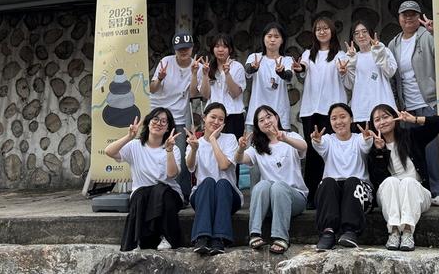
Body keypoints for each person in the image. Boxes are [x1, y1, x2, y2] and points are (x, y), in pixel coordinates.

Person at [387, 0, 439, 206]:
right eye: (404, 14)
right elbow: (391, 75)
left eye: (413, 14)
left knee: (432, 148)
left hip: (429, 100)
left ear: (419, 17)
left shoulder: (426, 36)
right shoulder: (393, 44)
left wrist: (436, 34)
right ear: (399, 18)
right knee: (412, 149)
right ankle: (419, 191)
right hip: (407, 106)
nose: (409, 18)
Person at [368, 104, 439, 251]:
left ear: (395, 118)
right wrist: (380, 152)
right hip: (390, 197)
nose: (382, 122)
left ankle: (407, 232)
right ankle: (394, 232)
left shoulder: (411, 136)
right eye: (377, 120)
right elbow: (379, 181)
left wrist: (414, 119)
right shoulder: (373, 148)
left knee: (408, 182)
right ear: (373, 125)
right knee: (390, 181)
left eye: (385, 117)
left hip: (417, 193)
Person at [104, 108, 182, 251]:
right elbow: (109, 151)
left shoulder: (173, 149)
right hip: (142, 196)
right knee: (140, 194)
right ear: (148, 122)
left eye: (163, 121)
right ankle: (138, 240)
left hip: (168, 195)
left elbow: (172, 175)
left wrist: (169, 150)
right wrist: (129, 137)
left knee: (159, 190)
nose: (158, 123)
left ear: (168, 128)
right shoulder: (135, 145)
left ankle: (167, 237)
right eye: (155, 119)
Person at [235, 105, 308, 254]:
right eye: (261, 120)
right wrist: (241, 148)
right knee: (262, 185)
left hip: (294, 198)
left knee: (278, 186)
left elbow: (304, 147)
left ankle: (281, 237)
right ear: (258, 126)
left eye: (269, 117)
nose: (266, 121)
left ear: (277, 117)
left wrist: (285, 139)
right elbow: (239, 159)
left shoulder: (291, 136)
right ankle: (255, 234)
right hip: (270, 203)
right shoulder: (257, 147)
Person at [292, 16, 347, 209]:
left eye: (325, 28)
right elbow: (303, 68)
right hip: (311, 110)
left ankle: (332, 193)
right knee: (313, 152)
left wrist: (343, 71)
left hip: (332, 110)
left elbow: (345, 74)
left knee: (332, 152)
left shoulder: (340, 54)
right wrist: (298, 68)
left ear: (332, 31)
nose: (322, 32)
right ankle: (312, 196)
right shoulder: (308, 54)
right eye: (318, 29)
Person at [312, 103, 374, 250]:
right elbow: (321, 145)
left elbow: (365, 145)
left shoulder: (359, 138)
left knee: (352, 181)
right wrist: (317, 141)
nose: (339, 121)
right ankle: (328, 232)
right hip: (333, 196)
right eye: (334, 118)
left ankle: (350, 232)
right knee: (327, 182)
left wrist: (367, 138)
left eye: (342, 117)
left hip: (359, 194)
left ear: (351, 119)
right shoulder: (328, 139)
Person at [186, 102, 242, 255]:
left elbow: (224, 165)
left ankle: (219, 239)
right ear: (204, 118)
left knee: (222, 183)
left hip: (228, 197)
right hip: (203, 197)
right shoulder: (195, 142)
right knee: (208, 182)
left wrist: (212, 140)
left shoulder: (230, 139)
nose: (216, 122)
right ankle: (202, 238)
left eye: (221, 119)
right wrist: (193, 149)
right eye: (213, 117)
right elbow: (190, 166)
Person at [150, 31, 199, 202]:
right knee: (156, 153)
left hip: (177, 117)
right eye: (180, 49)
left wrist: (194, 74)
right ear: (174, 50)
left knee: (182, 157)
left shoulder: (196, 66)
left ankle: (182, 194)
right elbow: (152, 89)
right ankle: (157, 191)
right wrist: (160, 78)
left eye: (186, 48)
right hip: (157, 115)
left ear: (192, 48)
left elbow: (193, 94)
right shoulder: (166, 62)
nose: (183, 52)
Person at [342, 20, 398, 123]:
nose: (361, 36)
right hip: (361, 110)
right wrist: (346, 70)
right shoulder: (350, 57)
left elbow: (390, 72)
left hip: (384, 107)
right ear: (353, 38)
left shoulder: (384, 50)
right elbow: (349, 85)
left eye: (364, 31)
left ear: (371, 33)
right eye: (356, 33)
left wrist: (379, 53)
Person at [245, 22, 294, 131]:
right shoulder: (254, 57)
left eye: (276, 37)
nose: (272, 40)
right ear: (263, 38)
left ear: (282, 40)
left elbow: (288, 76)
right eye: (269, 36)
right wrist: (253, 67)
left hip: (280, 117)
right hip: (256, 116)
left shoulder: (287, 60)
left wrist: (281, 72)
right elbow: (248, 70)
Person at [198, 33, 246, 139]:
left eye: (224, 46)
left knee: (234, 147)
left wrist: (227, 74)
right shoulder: (207, 67)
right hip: (213, 116)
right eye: (217, 46)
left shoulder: (237, 67)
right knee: (212, 145)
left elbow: (235, 94)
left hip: (233, 115)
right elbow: (206, 95)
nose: (220, 49)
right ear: (212, 49)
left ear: (230, 49)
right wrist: (205, 75)